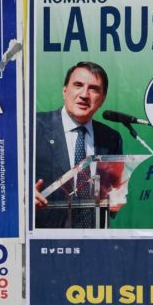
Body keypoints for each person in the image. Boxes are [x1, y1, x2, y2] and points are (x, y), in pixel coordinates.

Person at [33, 61, 123, 228]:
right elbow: (2, 179)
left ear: (102, 99)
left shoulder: (111, 138)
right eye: (78, 85)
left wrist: (116, 196)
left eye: (93, 89)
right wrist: (23, 194)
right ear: (64, 90)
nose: (84, 94)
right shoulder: (33, 127)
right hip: (44, 241)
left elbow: (113, 198)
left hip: (94, 242)